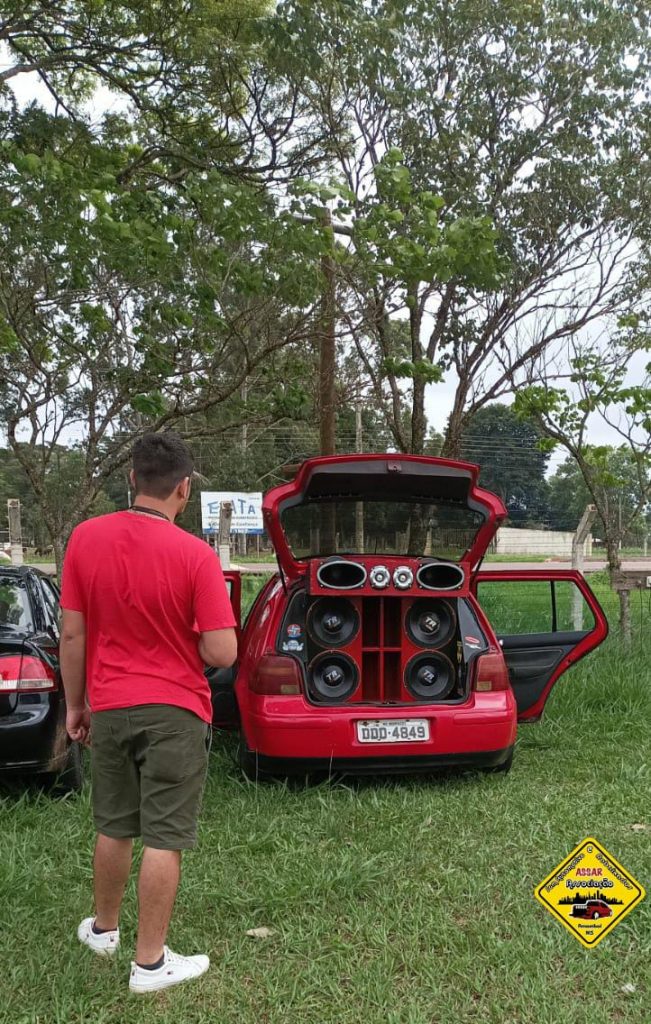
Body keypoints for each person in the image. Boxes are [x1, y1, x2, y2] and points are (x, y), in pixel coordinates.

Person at [60, 432, 237, 994]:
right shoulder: (196, 555)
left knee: (113, 825)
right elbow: (222, 652)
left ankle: (104, 930)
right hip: (176, 712)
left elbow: (71, 632)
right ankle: (151, 964)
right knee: (164, 836)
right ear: (184, 488)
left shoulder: (86, 538)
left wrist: (75, 704)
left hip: (108, 707)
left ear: (132, 480)